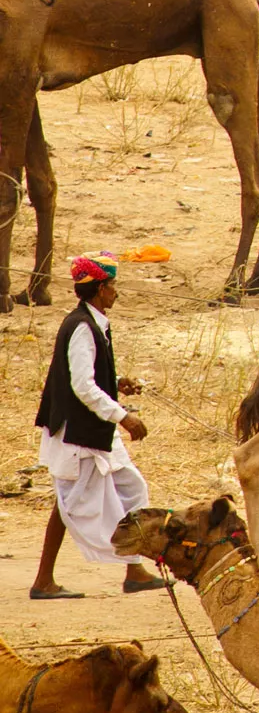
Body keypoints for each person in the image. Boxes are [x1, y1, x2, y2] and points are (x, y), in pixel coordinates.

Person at [32, 254, 166, 599]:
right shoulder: (81, 327)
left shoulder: (93, 323)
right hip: (78, 432)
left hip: (94, 431)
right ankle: (43, 582)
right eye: (113, 286)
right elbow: (82, 386)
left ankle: (134, 569)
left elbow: (91, 377)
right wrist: (124, 416)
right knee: (69, 505)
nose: (116, 293)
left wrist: (117, 382)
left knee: (131, 488)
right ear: (100, 289)